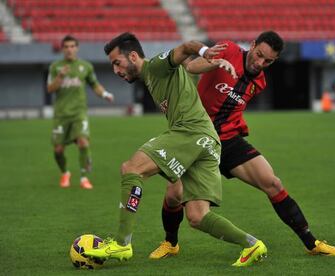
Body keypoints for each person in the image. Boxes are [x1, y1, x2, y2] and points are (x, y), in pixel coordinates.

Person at [149, 31, 335, 260]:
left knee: (273, 183)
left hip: (228, 140)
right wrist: (216, 61)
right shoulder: (229, 50)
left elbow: (231, 109)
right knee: (175, 194)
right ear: (252, 45)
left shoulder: (259, 82)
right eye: (259, 55)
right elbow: (191, 67)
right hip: (196, 137)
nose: (260, 62)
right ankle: (171, 243)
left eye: (268, 61)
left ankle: (312, 244)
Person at [83, 32, 267, 267]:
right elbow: (188, 68)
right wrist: (210, 60)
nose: (116, 70)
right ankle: (252, 244)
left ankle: (121, 243)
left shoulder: (157, 66)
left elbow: (185, 47)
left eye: (117, 63)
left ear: (132, 56)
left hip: (191, 132)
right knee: (198, 216)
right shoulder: (152, 78)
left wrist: (204, 52)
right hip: (209, 140)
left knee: (132, 169)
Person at [47, 35, 114, 189]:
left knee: (83, 143)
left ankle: (84, 177)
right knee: (58, 150)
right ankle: (65, 173)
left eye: (72, 46)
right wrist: (60, 77)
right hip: (61, 114)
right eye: (66, 47)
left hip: (79, 113)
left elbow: (94, 84)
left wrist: (105, 94)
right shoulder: (55, 67)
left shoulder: (86, 66)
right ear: (62, 49)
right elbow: (50, 89)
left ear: (77, 48)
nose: (69, 49)